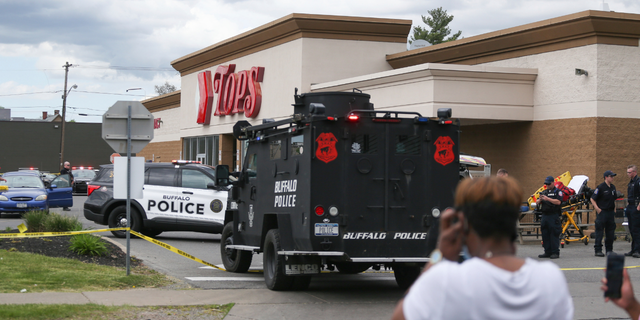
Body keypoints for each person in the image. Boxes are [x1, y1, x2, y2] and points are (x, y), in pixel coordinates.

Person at [391, 177, 573, 320]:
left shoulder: (447, 280)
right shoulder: (551, 279)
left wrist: (439, 255)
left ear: (464, 223)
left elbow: (402, 314)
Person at [592, 170, 618, 257]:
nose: (612, 178)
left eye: (613, 176)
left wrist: (614, 208)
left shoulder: (613, 187)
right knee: (599, 232)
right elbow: (592, 199)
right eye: (611, 176)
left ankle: (609, 250)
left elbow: (613, 199)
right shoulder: (600, 187)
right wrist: (597, 208)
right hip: (602, 212)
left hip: (610, 213)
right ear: (606, 177)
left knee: (610, 232)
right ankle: (598, 250)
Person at [536, 176, 563, 259]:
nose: (547, 185)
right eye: (546, 184)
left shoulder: (558, 192)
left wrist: (548, 199)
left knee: (553, 234)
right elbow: (536, 202)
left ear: (553, 183)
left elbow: (558, 202)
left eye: (549, 184)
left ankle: (555, 252)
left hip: (553, 215)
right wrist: (540, 200)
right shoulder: (544, 192)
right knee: (545, 234)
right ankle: (547, 251)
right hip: (545, 215)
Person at [625, 165, 640, 258]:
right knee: (631, 229)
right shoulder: (631, 182)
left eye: (629, 172)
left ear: (634, 172)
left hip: (636, 207)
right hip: (630, 207)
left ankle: (637, 250)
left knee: (636, 229)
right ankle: (633, 249)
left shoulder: (638, 182)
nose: (628, 174)